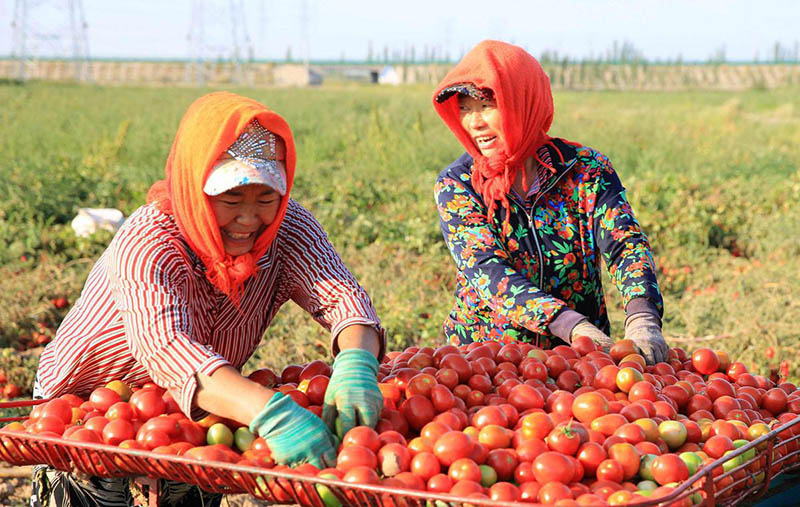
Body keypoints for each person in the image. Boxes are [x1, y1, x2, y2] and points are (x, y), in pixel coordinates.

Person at [31, 91, 384, 506]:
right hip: (92, 415)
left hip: (203, 411)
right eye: (230, 199)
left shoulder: (287, 230)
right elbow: (166, 346)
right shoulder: (149, 240)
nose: (249, 219)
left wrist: (357, 360)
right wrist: (271, 413)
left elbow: (343, 297)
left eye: (266, 199)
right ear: (194, 187)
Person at [432, 40, 669, 365]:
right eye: (465, 108)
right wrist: (570, 325)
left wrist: (643, 317)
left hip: (582, 360)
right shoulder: (458, 183)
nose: (474, 123)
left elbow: (625, 245)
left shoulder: (586, 171)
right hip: (490, 364)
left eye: (486, 105)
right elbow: (486, 268)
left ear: (522, 101)